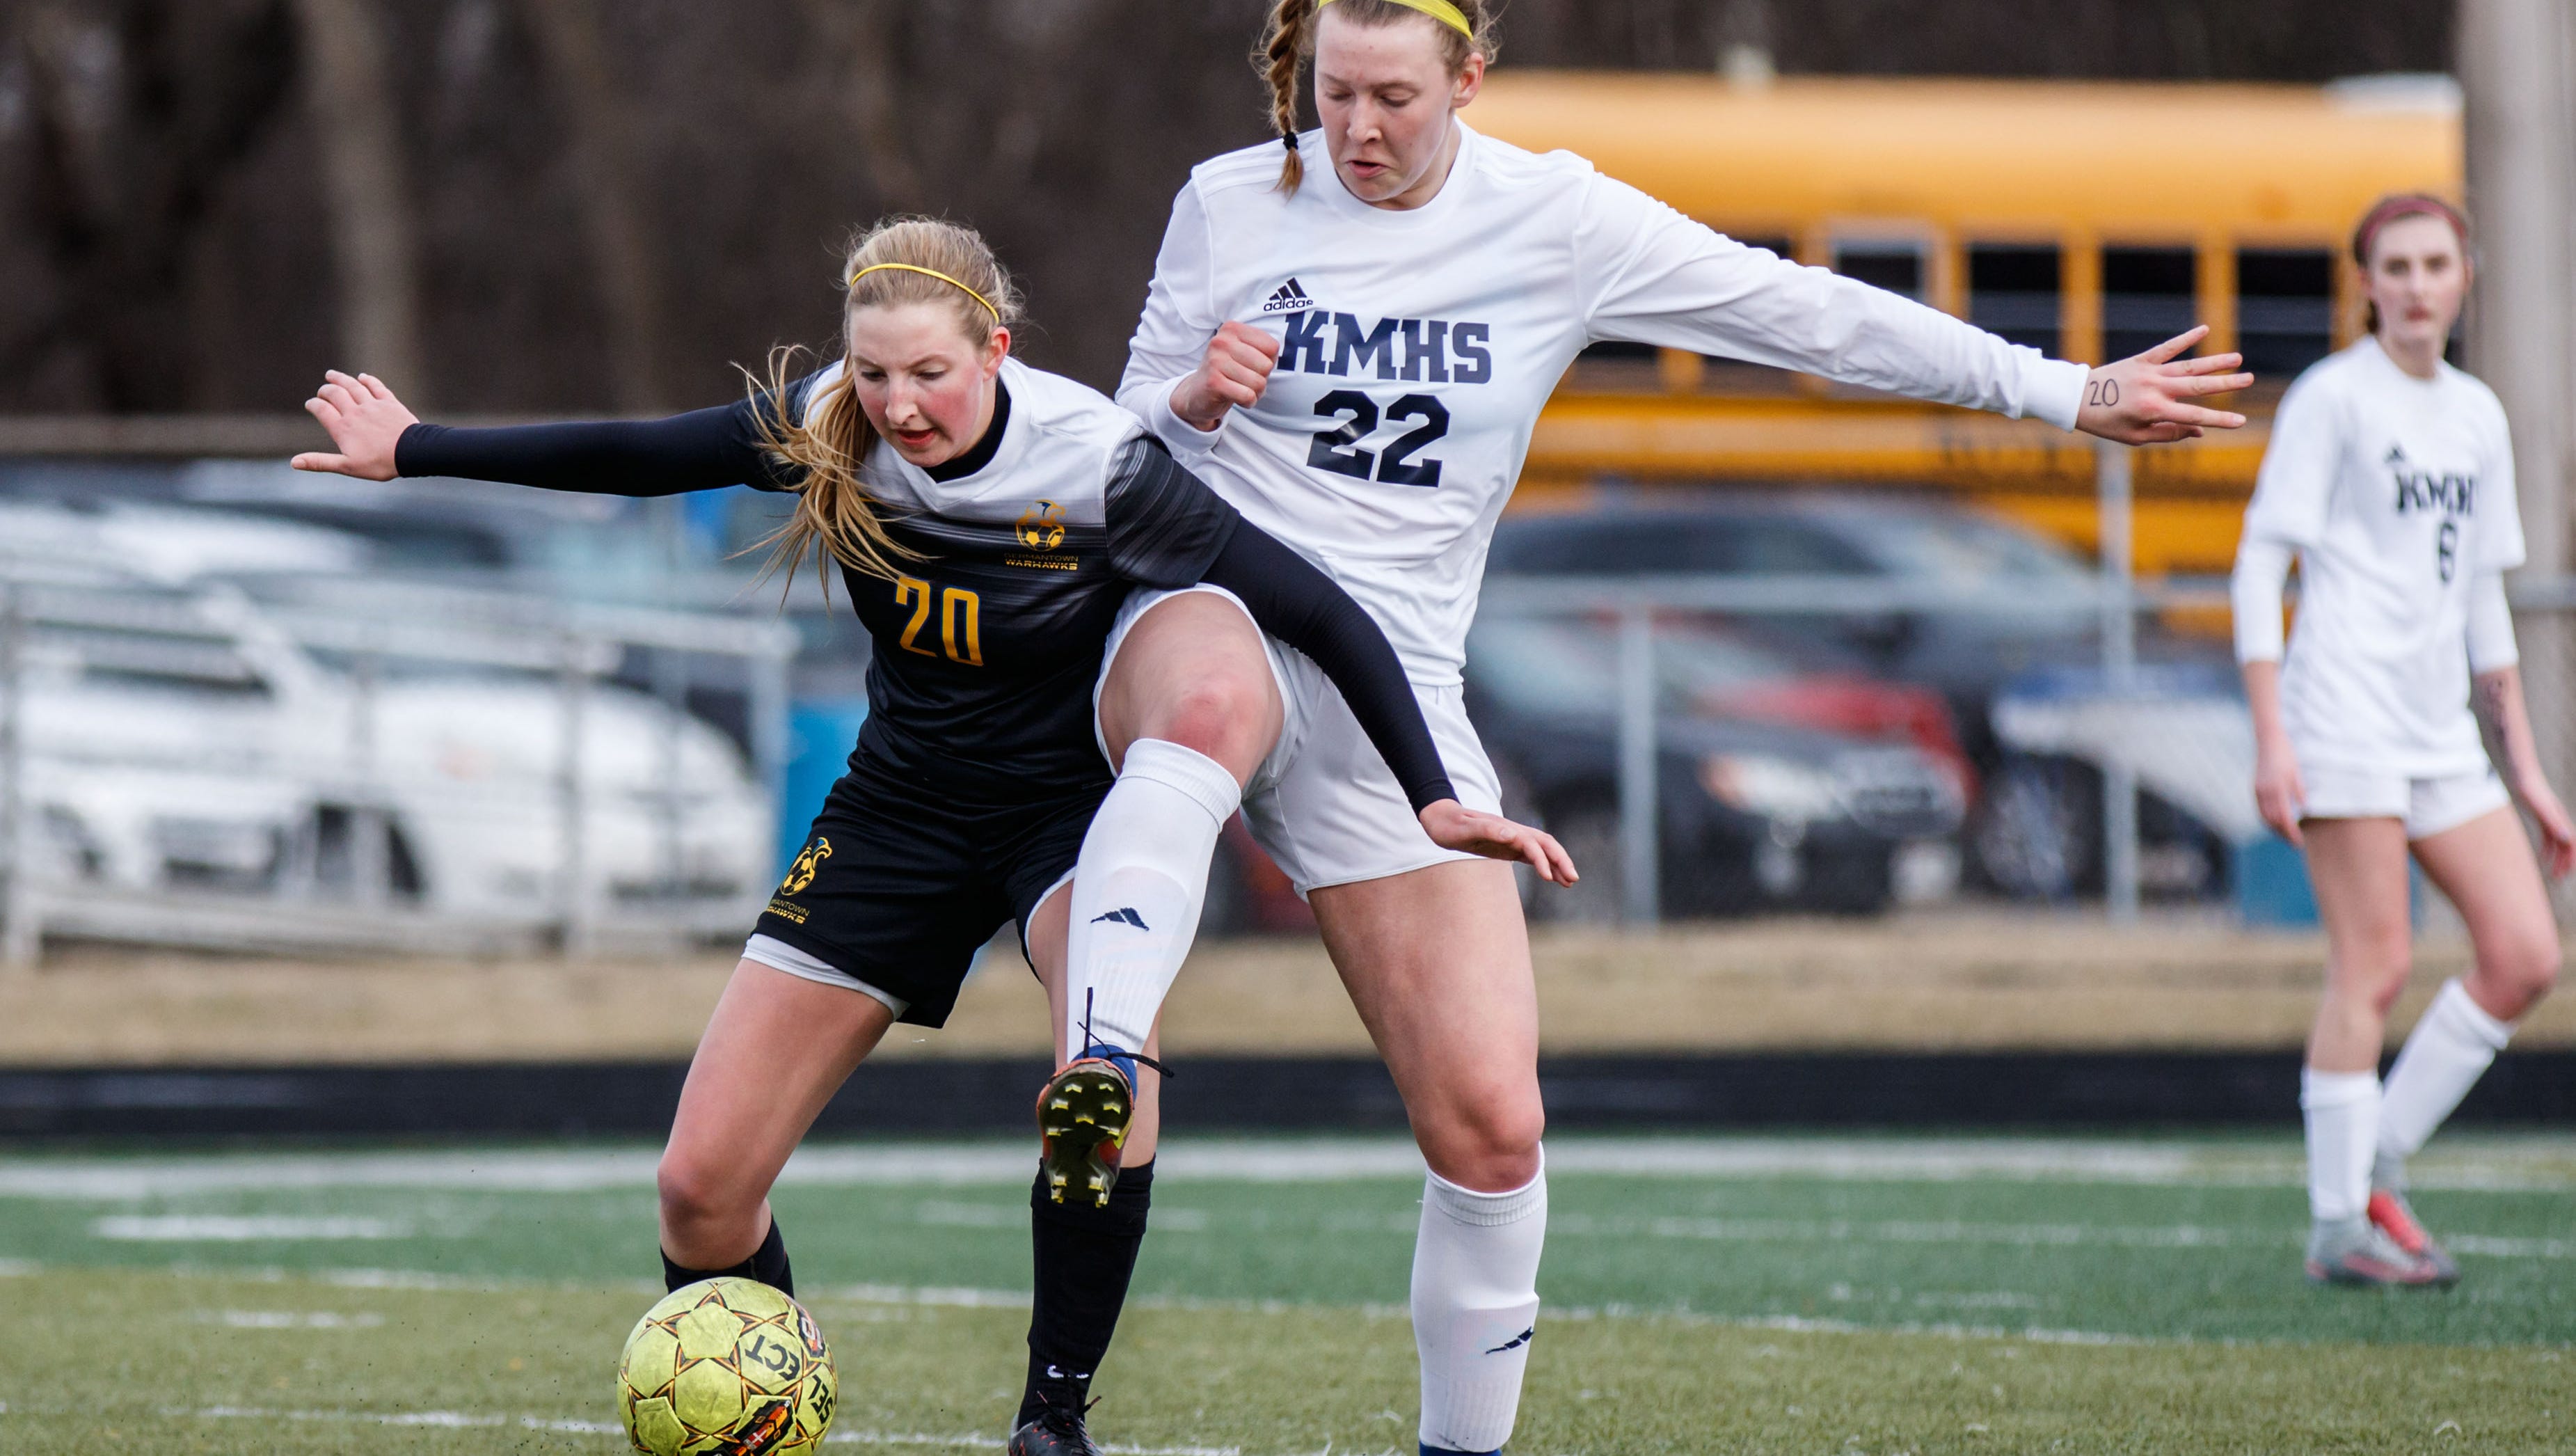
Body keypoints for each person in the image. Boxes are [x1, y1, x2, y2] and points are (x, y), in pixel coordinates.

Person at [1044, 3, 2254, 1451]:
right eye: (1328, 94)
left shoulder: (1558, 219)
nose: (1353, 130)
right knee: (1212, 695)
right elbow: (1116, 460)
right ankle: (1106, 1040)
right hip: (1214, 607)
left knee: (1494, 1128)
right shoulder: (1231, 199)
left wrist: (2063, 389)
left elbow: (1808, 314)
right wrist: (1190, 399)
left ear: (1471, 80)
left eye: (1391, 98)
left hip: (1399, 690)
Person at [289, 216, 1568, 1456]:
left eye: (931, 375)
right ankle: (760, 1403)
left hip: (1068, 811)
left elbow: (1321, 610)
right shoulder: (830, 422)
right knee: (700, 1185)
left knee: (1106, 1083)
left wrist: (1428, 792)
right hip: (897, 807)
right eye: (878, 372)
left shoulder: (1097, 460)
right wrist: (415, 448)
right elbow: (637, 452)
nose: (900, 404)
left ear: (997, 350)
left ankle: (1051, 1418)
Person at [2232, 193, 2570, 1290]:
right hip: (2341, 718)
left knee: (2525, 957)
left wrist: (2526, 774)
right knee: (2371, 964)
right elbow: (2256, 568)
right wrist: (2272, 738)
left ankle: (2374, 1162)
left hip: (2437, 736)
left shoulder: (2475, 414)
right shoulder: (2334, 400)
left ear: (2465, 273)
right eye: (2396, 266)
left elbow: (2479, 599)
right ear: (2366, 284)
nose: (2418, 284)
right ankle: (2338, 1229)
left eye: (2435, 263)